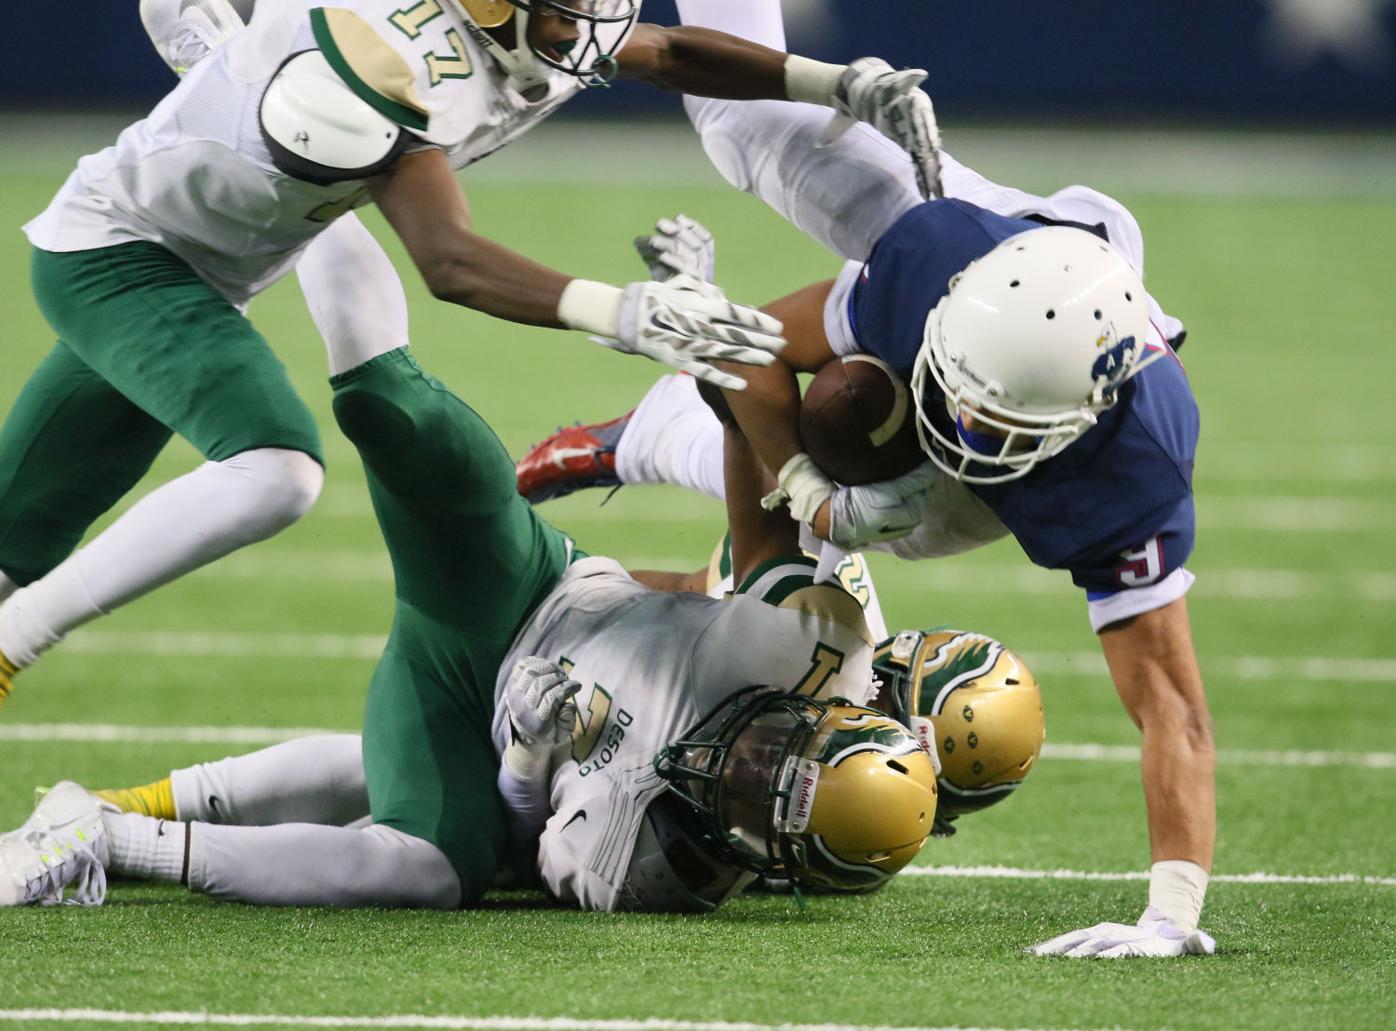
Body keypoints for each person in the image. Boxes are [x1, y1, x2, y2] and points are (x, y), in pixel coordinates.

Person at [514, 0, 1216, 960]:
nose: (951, 423)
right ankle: (643, 436)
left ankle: (645, 441)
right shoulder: (935, 269)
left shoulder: (1127, 475)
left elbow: (1172, 707)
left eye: (985, 418)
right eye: (952, 393)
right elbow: (752, 346)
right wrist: (802, 476)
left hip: (995, 460)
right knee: (749, 136)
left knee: (888, 552)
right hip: (993, 259)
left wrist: (1171, 914)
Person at [0, 0, 944, 707]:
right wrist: (625, 311)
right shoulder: (393, 58)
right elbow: (449, 262)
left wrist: (833, 83)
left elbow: (660, 48)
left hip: (222, 252)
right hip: (128, 257)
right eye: (563, 15)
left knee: (17, 532)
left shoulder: (538, 20)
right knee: (274, 470)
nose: (584, 30)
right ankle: (17, 643)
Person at [0, 317, 938, 912]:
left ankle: (109, 833)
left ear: (775, 858)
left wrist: (530, 753)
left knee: (424, 865)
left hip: (468, 724)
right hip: (537, 595)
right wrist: (732, 372)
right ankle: (321, 198)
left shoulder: (659, 872)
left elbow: (515, 838)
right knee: (406, 419)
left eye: (754, 792)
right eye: (778, 754)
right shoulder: (811, 648)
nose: (746, 763)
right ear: (836, 716)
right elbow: (755, 513)